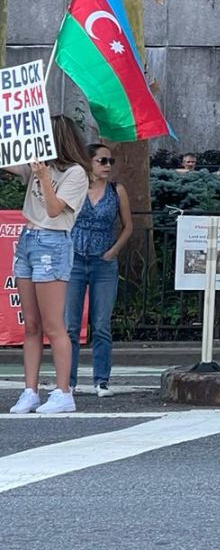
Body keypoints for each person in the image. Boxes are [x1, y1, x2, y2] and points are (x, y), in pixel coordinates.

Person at [6, 116, 91, 414]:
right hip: (29, 237)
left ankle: (63, 391)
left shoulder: (76, 173)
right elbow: (7, 162)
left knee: (54, 325)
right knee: (30, 324)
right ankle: (30, 390)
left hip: (53, 242)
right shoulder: (39, 165)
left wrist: (42, 176)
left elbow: (55, 211)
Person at [65, 143, 134, 397]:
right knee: (70, 325)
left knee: (102, 323)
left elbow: (128, 226)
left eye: (110, 161)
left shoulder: (117, 191)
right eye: (102, 161)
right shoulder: (76, 187)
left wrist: (114, 251)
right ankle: (67, 381)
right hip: (74, 260)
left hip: (103, 262)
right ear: (88, 162)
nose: (107, 166)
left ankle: (101, 380)